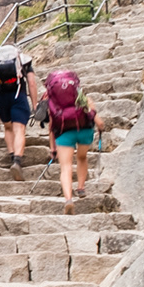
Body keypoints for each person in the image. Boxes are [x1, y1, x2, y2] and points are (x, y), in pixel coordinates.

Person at [43, 68, 97, 216]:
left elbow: (51, 124)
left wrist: (52, 147)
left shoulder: (52, 100)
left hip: (63, 131)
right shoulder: (80, 94)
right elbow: (91, 111)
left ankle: (68, 199)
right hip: (84, 130)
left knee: (65, 166)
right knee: (82, 157)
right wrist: (99, 124)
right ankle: (81, 187)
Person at [0, 43, 38, 180]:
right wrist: (35, 104)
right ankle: (17, 161)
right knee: (19, 129)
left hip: (1, 98)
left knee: (8, 127)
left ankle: (11, 156)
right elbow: (32, 83)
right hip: (18, 96)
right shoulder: (22, 59)